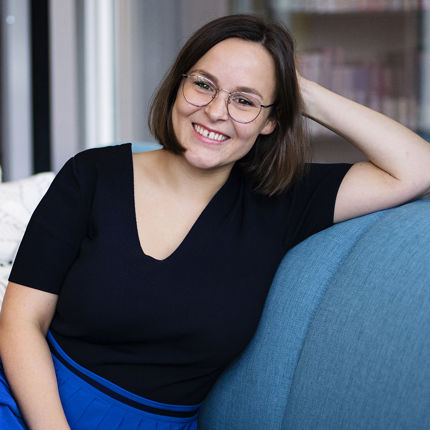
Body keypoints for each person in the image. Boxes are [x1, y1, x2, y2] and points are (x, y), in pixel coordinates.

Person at [0, 14, 429, 430]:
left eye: (245, 100)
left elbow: (416, 167)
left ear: (271, 120)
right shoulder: (91, 175)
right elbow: (21, 320)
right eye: (204, 85)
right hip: (29, 404)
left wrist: (301, 91)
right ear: (178, 85)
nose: (215, 111)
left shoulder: (283, 200)